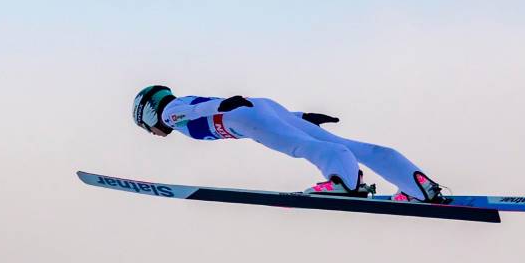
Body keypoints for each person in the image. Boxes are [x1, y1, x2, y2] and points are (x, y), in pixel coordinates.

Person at [131, 85, 448, 203]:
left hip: (240, 116)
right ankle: (418, 184)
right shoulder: (179, 103)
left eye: (147, 128)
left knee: (303, 147)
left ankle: (344, 183)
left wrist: (222, 104)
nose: (153, 132)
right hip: (260, 108)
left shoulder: (170, 110)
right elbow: (267, 115)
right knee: (351, 145)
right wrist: (300, 117)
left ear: (147, 112)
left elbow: (190, 111)